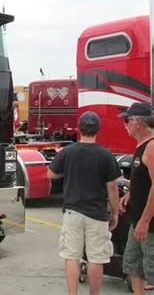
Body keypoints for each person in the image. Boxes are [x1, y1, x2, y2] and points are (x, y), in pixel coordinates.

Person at [47, 111, 121, 295]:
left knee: (72, 256)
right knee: (97, 257)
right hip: (97, 213)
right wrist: (115, 212)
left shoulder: (68, 151)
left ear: (79, 128)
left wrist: (69, 172)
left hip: (73, 212)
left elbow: (50, 173)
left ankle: (73, 293)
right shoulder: (105, 154)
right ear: (98, 129)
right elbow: (112, 186)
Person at [118, 102, 154, 294]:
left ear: (138, 122)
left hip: (149, 225)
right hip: (137, 220)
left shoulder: (152, 147)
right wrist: (132, 194)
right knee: (132, 265)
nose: (125, 125)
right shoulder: (141, 147)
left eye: (127, 120)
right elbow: (146, 181)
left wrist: (145, 222)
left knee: (151, 270)